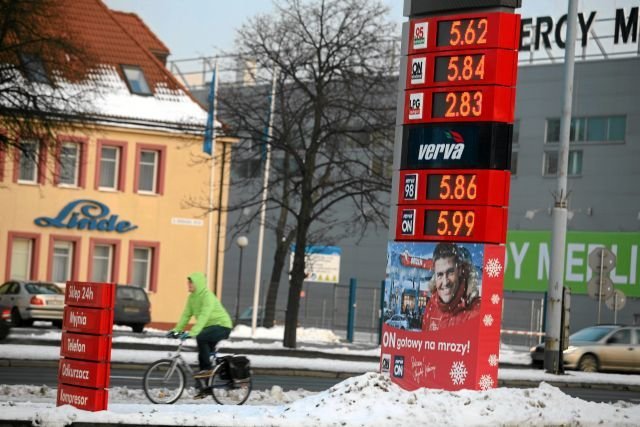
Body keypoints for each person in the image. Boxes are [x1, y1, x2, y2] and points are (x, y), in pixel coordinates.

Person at [168, 272, 233, 381]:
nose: (188, 285)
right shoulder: (191, 298)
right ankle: (204, 385)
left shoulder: (207, 296)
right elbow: (186, 315)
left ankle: (207, 370)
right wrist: (176, 330)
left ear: (198, 283)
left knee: (201, 338)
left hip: (222, 325)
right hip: (209, 328)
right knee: (203, 354)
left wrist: (193, 332)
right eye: (188, 283)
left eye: (191, 283)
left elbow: (204, 315)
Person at [422, 243, 480, 331]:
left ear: (460, 271)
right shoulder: (431, 307)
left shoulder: (477, 310)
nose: (445, 282)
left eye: (450, 272)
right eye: (440, 275)